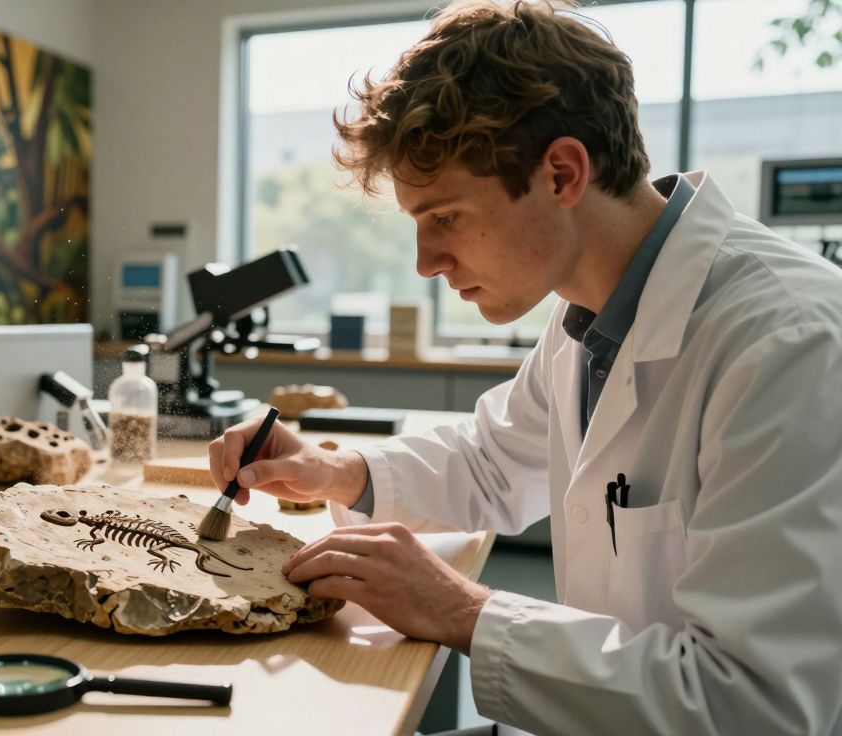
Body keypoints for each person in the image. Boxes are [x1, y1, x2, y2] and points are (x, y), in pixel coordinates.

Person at [209, 1, 842, 734]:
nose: (426, 262)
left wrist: (464, 611)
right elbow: (494, 460)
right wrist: (334, 470)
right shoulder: (591, 312)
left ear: (563, 173)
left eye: (444, 217)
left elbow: (756, 707)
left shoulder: (789, 345)